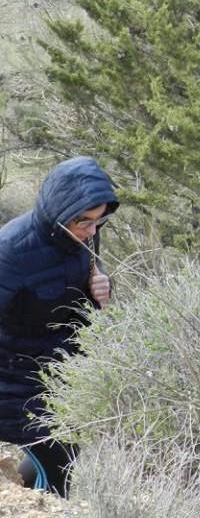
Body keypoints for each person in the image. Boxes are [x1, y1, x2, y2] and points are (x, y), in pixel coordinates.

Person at [0, 156, 119, 497]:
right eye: (85, 221)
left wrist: (101, 290)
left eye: (101, 220)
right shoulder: (11, 249)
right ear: (60, 213)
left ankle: (18, 491)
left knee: (63, 457)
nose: (93, 230)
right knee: (55, 462)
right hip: (12, 375)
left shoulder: (81, 239)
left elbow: (76, 306)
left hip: (58, 372)